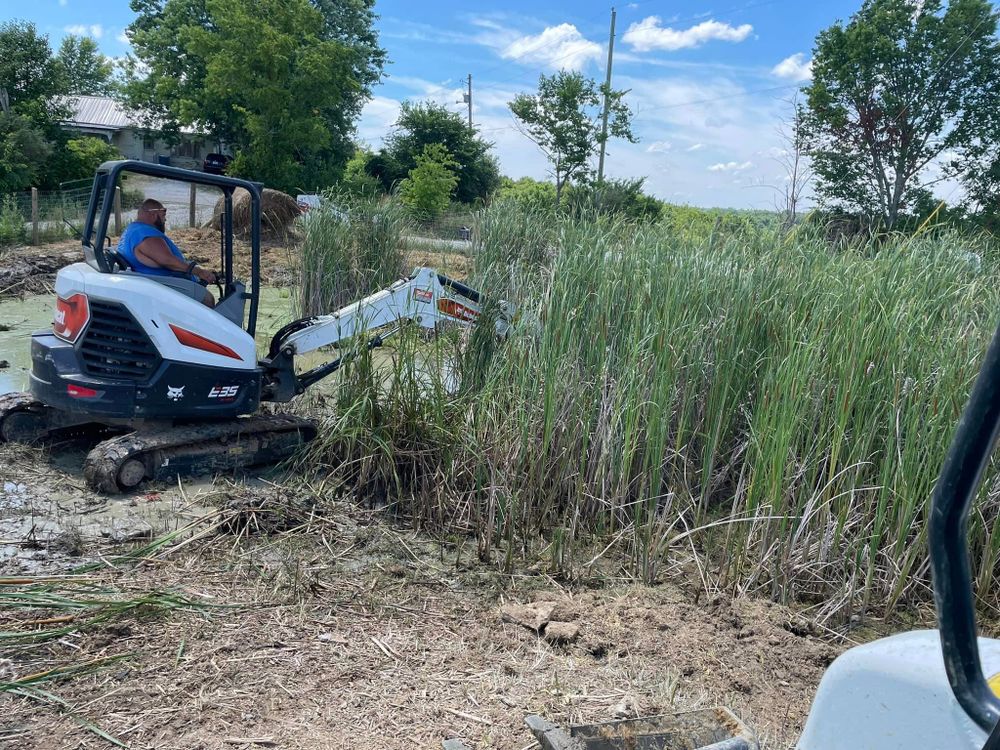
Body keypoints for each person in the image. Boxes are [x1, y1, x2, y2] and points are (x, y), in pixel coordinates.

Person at [117, 199, 219, 306]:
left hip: (154, 281)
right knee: (207, 299)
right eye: (163, 216)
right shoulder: (145, 234)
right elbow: (168, 261)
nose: (165, 220)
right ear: (153, 215)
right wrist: (199, 272)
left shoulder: (132, 230)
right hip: (162, 285)